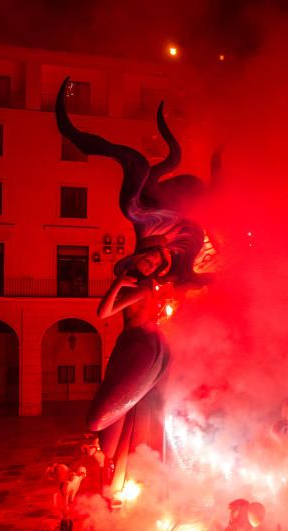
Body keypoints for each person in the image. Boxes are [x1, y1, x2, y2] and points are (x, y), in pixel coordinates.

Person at [56, 76, 214, 506]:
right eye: (144, 259)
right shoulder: (140, 282)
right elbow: (104, 313)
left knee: (100, 419)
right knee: (123, 424)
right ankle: (115, 486)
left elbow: (115, 310)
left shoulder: (151, 285)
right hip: (133, 344)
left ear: (160, 258)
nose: (147, 262)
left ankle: (115, 481)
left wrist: (135, 283)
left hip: (148, 346)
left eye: (151, 260)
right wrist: (120, 282)